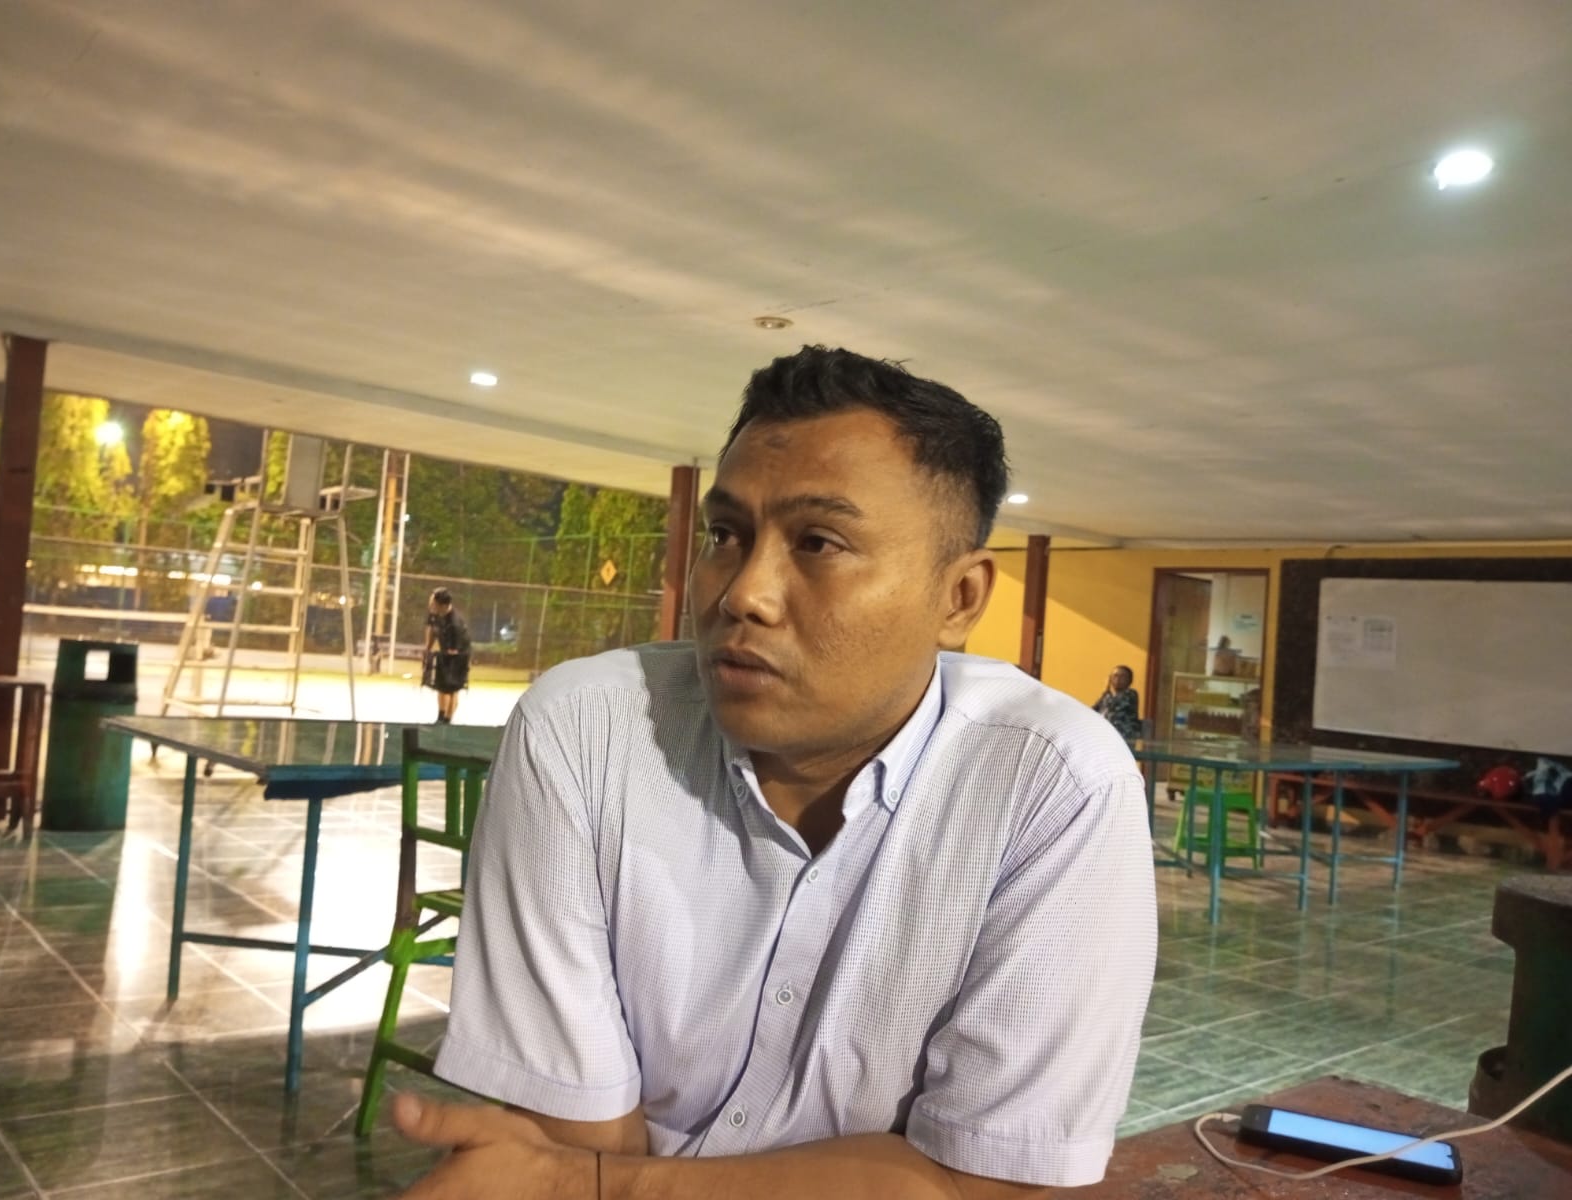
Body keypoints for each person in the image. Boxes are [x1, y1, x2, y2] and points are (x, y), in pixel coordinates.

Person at [393, 347, 1156, 1198]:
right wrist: (585, 1174)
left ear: (959, 599)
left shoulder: (1052, 785)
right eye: (726, 536)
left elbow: (991, 1182)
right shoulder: (587, 733)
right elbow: (579, 1131)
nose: (742, 594)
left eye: (819, 542)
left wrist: (593, 1187)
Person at [423, 588, 470, 724]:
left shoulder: (454, 624)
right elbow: (432, 630)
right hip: (445, 652)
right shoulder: (435, 614)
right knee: (441, 686)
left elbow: (454, 651)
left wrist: (443, 658)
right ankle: (440, 716)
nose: (431, 605)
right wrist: (427, 649)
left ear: (442, 605)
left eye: (433, 602)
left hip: (458, 655)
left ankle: (447, 719)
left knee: (451, 687)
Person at [1093, 665, 1143, 742]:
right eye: (1115, 676)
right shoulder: (1107, 696)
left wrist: (1106, 688)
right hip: (1104, 734)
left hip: (1123, 735)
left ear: (1129, 680)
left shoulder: (1131, 694)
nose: (1118, 679)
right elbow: (1093, 710)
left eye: (1122, 676)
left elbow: (1114, 706)